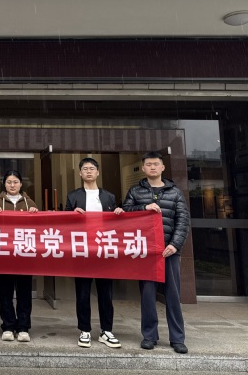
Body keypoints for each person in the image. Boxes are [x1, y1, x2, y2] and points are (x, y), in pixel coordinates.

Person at [122, 151, 191, 355]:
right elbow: (125, 212)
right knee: (147, 295)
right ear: (143, 168)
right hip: (146, 252)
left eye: (156, 164)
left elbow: (182, 221)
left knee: (173, 295)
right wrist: (144, 206)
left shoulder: (175, 192)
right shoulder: (135, 191)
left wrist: (175, 245)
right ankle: (149, 336)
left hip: (169, 251)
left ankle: (177, 338)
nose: (152, 167)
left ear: (162, 167)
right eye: (149, 164)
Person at [65, 157, 123, 349]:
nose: (89, 171)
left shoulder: (109, 197)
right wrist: (72, 216)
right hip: (83, 250)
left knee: (105, 293)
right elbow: (63, 222)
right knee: (82, 293)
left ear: (98, 172)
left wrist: (119, 213)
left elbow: (118, 223)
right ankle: (85, 330)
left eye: (92, 168)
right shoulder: (73, 196)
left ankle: (107, 330)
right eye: (85, 169)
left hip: (104, 250)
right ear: (80, 173)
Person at [0, 170, 38, 343]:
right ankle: (8, 326)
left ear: (21, 184)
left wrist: (35, 213)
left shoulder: (29, 202)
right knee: (5, 293)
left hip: (24, 255)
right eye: (9, 182)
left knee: (24, 293)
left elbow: (38, 228)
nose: (12, 185)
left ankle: (23, 327)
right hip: (4, 255)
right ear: (4, 184)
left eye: (15, 182)